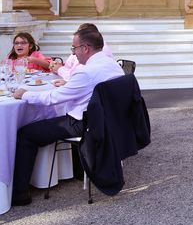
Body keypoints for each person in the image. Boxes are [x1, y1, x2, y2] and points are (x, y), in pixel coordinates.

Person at [10, 27, 124, 206]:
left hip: (85, 124)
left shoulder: (85, 71)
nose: (73, 53)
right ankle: (78, 170)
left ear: (86, 48)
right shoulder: (113, 65)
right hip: (109, 121)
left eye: (74, 48)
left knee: (26, 134)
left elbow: (52, 99)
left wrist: (24, 94)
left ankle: (19, 193)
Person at [49, 23, 114, 86]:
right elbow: (69, 67)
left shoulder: (98, 53)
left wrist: (59, 69)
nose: (73, 53)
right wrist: (57, 66)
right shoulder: (97, 54)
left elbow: (79, 76)